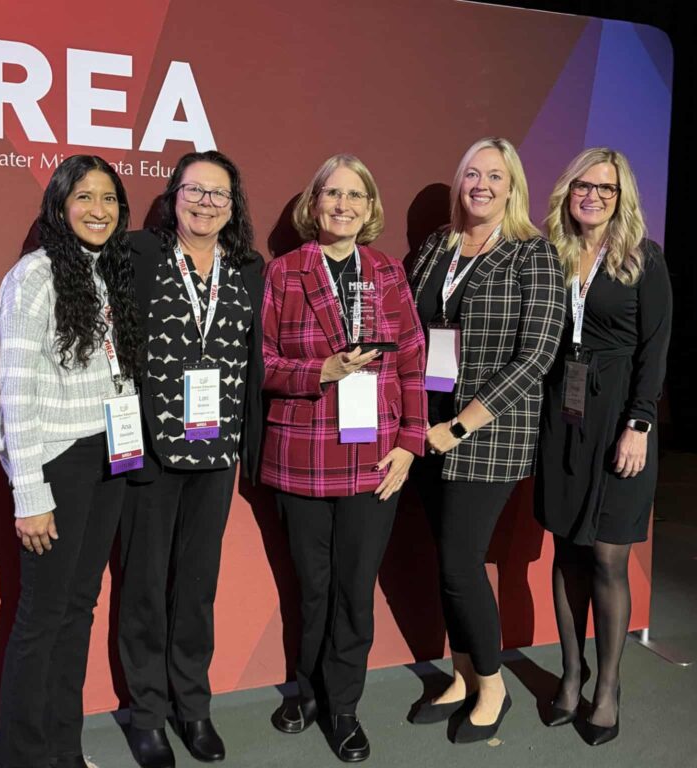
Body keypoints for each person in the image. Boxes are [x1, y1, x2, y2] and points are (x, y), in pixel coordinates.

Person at [261, 154, 426, 763]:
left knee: (354, 590)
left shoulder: (387, 272)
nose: (343, 205)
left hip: (376, 455)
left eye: (356, 195)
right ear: (315, 203)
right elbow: (262, 363)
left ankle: (344, 706)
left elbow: (411, 361)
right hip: (303, 452)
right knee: (313, 587)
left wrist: (411, 442)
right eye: (333, 193)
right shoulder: (284, 272)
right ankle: (307, 691)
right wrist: (319, 371)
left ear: (370, 207)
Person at [406, 137, 565, 743]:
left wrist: (461, 424)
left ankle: (493, 686)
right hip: (427, 425)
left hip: (486, 432)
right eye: (472, 173)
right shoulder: (436, 247)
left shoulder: (532, 253)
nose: (481, 185)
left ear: (512, 187)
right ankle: (462, 674)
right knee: (444, 563)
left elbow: (537, 355)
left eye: (495, 176)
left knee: (460, 564)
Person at [0, 155, 144, 768]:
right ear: (59, 205)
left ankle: (63, 751)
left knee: (79, 610)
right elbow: (16, 389)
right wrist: (30, 493)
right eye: (84, 197)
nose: (98, 210)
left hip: (109, 455)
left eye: (108, 199)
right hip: (58, 461)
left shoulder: (107, 272)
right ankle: (24, 758)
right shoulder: (33, 276)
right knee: (42, 617)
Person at [117, 151, 264, 768]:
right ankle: (147, 714)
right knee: (144, 587)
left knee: (198, 586)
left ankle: (193, 705)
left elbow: (256, 357)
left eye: (218, 194)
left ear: (233, 205)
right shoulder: (138, 254)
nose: (206, 203)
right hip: (150, 448)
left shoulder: (249, 268)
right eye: (195, 190)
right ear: (173, 195)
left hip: (218, 447)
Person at [534, 148, 672, 746]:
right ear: (568, 191)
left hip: (620, 418)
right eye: (583, 186)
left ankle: (608, 687)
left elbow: (655, 348)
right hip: (563, 415)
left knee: (609, 559)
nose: (592, 196)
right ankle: (572, 673)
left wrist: (640, 423)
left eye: (606, 188)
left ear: (622, 198)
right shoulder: (551, 253)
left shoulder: (643, 257)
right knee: (567, 551)